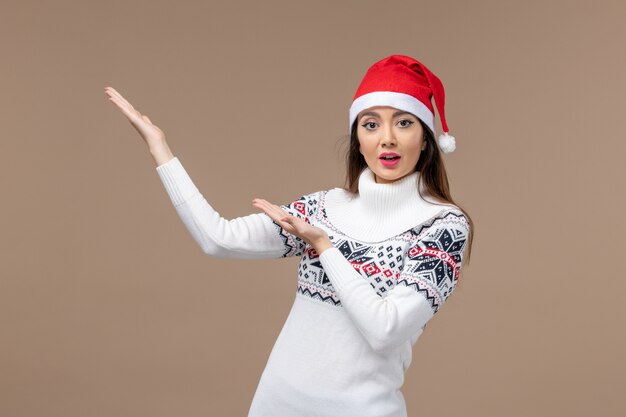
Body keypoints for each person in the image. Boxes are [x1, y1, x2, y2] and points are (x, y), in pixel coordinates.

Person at [104, 54, 474, 417]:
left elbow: (385, 329)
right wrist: (160, 149)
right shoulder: (324, 208)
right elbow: (218, 238)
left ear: (426, 138)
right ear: (357, 138)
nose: (387, 139)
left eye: (404, 123)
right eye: (371, 124)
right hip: (275, 405)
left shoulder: (443, 227)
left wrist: (324, 246)